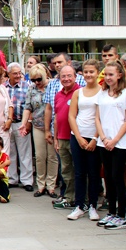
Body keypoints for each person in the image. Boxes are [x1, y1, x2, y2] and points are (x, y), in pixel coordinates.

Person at [94, 61, 126, 230]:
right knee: (108, 178)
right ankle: (111, 212)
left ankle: (121, 214)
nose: (108, 78)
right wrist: (103, 138)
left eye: (111, 74)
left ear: (119, 75)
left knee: (118, 177)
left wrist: (115, 140)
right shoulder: (102, 94)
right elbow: (97, 118)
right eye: (106, 74)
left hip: (120, 143)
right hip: (104, 142)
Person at [67, 60, 102, 220]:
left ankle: (93, 205)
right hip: (78, 137)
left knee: (94, 173)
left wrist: (95, 138)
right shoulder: (78, 93)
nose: (88, 75)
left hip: (95, 137)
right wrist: (79, 137)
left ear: (97, 73)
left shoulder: (103, 92)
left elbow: (102, 118)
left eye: (91, 72)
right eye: (86, 72)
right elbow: (72, 116)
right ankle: (79, 205)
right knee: (79, 173)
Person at [21, 64, 57, 198]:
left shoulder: (53, 85)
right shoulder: (32, 89)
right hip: (37, 125)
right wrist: (24, 123)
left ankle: (51, 186)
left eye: (39, 79)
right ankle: (41, 185)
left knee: (52, 157)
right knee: (40, 156)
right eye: (34, 80)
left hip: (53, 126)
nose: (37, 82)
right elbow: (27, 107)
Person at [51, 65, 81, 210]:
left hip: (76, 137)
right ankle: (69, 197)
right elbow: (57, 117)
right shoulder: (58, 94)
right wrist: (56, 138)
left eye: (69, 75)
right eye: (63, 76)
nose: (66, 79)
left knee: (80, 170)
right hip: (62, 137)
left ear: (75, 76)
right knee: (66, 171)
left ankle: (83, 198)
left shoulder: (80, 92)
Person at [6, 62, 33, 191]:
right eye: (15, 73)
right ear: (8, 74)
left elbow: (31, 106)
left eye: (19, 73)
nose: (17, 76)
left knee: (25, 153)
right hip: (7, 124)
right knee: (10, 152)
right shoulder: (3, 87)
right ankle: (12, 179)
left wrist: (28, 122)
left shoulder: (27, 86)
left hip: (21, 123)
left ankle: (27, 180)